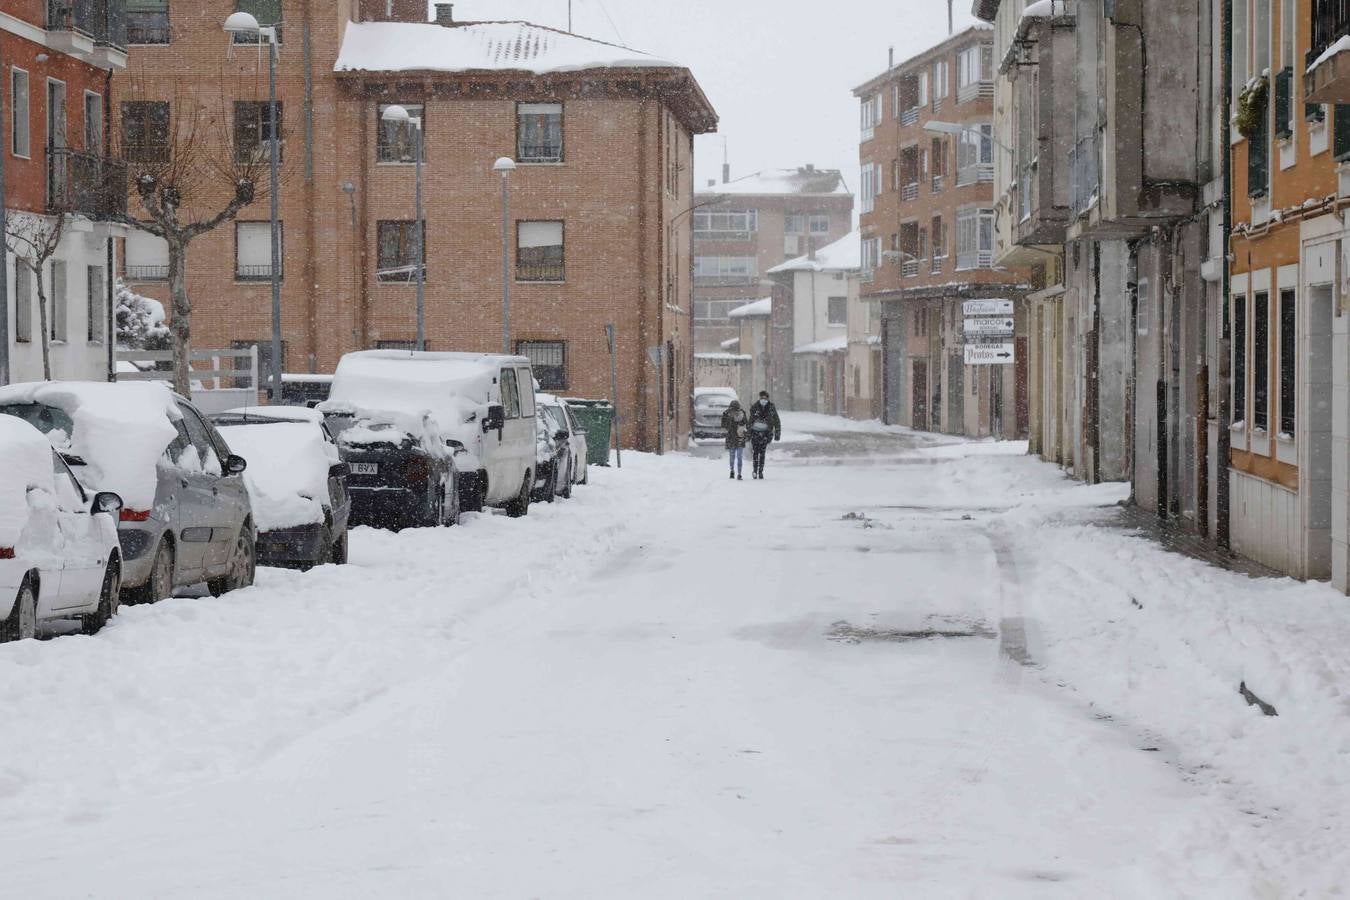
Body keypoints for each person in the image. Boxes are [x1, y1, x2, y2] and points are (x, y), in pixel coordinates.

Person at [746, 390, 781, 479]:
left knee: (762, 453)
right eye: (762, 398)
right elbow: (750, 421)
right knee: (755, 453)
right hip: (755, 433)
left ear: (768, 399)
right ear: (760, 398)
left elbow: (776, 421)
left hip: (766, 434)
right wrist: (748, 434)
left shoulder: (771, 407)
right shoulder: (755, 407)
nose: (763, 400)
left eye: (765, 398)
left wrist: (777, 434)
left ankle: (760, 471)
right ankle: (754, 470)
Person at [721, 399, 748, 480]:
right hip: (731, 437)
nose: (734, 411)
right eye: (733, 409)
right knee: (732, 456)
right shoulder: (726, 413)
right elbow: (723, 425)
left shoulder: (742, 413)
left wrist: (742, 428)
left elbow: (746, 423)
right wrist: (730, 421)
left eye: (736, 409)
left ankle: (739, 474)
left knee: (739, 457)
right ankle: (732, 471)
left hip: (739, 437)